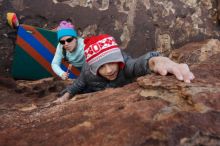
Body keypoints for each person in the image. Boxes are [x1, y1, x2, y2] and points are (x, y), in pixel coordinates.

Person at [54, 34, 195, 103]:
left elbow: (139, 64)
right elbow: (77, 84)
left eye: (112, 62)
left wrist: (157, 61)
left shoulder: (124, 65)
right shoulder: (87, 71)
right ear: (93, 67)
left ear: (118, 60)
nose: (109, 70)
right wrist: (65, 97)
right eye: (101, 66)